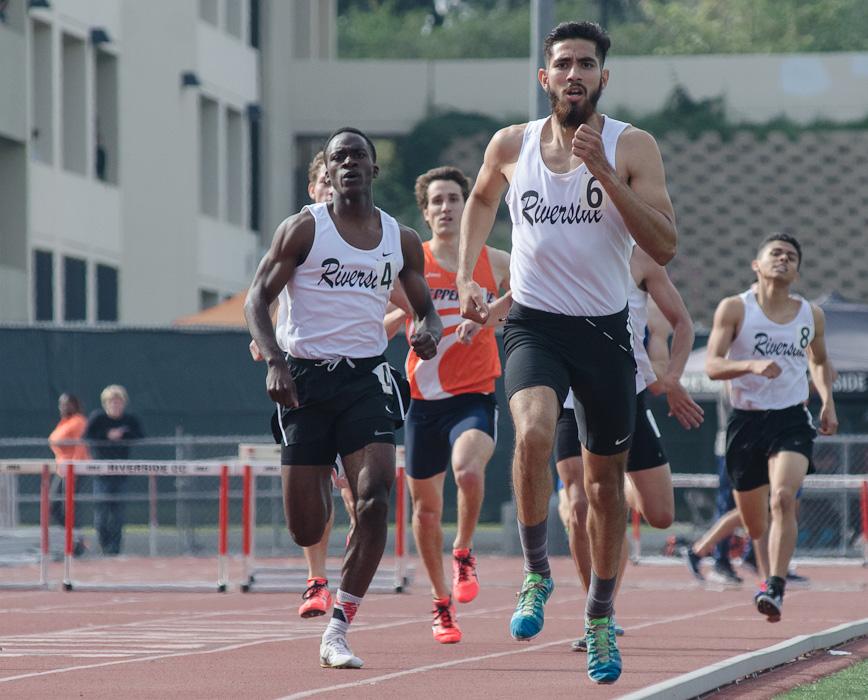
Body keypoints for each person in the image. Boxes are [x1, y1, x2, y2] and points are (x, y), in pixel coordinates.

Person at [456, 21, 677, 684]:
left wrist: (605, 173)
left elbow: (664, 244)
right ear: (544, 76)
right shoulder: (511, 144)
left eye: (586, 63)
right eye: (563, 63)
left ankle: (602, 616)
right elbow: (481, 199)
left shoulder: (630, 144)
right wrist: (470, 273)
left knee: (608, 488)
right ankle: (534, 573)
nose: (574, 73)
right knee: (531, 432)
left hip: (606, 334)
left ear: (603, 78)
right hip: (533, 324)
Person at [245, 127, 443, 669]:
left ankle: (339, 626)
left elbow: (426, 309)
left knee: (378, 496)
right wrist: (275, 362)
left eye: (358, 155)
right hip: (304, 381)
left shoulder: (399, 239)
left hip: (366, 380)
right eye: (339, 157)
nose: (349, 163)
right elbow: (256, 301)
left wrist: (429, 330)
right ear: (326, 174)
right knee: (305, 527)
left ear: (374, 169)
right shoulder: (304, 230)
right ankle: (324, 471)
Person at [383, 166, 511, 644]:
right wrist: (403, 319)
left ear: (466, 205)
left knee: (469, 471)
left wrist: (488, 319)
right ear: (425, 210)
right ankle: (441, 605)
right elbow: (387, 317)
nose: (445, 208)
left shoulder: (490, 258)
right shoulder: (410, 266)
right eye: (436, 201)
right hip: (423, 404)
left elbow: (529, 290)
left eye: (454, 199)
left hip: (473, 396)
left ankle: (463, 551)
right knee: (425, 511)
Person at [556, 244, 703, 651]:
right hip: (570, 399)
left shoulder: (642, 260)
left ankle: (614, 493)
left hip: (627, 396)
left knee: (660, 515)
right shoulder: (561, 245)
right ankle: (597, 612)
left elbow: (683, 325)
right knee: (580, 504)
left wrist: (670, 379)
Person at [706, 232, 837, 622]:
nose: (783, 259)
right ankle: (764, 570)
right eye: (775, 253)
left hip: (790, 417)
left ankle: (775, 584)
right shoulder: (734, 309)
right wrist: (750, 365)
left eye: (791, 256)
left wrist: (827, 399)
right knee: (755, 521)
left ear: (796, 271)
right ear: (757, 265)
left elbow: (820, 359)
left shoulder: (810, 314)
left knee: (783, 497)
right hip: (746, 420)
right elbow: (713, 365)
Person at [249, 150, 357, 619]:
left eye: (339, 180)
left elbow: (393, 289)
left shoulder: (367, 234)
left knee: (357, 492)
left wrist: (413, 318)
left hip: (355, 378)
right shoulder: (301, 233)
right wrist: (268, 346)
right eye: (324, 181)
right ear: (313, 189)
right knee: (314, 486)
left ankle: (354, 572)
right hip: (303, 377)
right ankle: (316, 581)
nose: (333, 188)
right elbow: (265, 295)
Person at [84, 385, 144, 556]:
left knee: (118, 515)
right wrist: (106, 435)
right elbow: (86, 437)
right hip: (102, 475)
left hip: (121, 474)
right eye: (112, 402)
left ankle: (115, 551)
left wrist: (122, 435)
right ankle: (105, 546)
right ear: (105, 404)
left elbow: (140, 436)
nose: (115, 406)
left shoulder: (129, 419)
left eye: (119, 402)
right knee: (101, 515)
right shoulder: (98, 418)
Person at [48, 393, 90, 557]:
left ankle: (77, 543)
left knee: (69, 507)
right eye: (61, 404)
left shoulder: (78, 421)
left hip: (73, 470)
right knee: (55, 506)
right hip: (61, 470)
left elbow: (80, 447)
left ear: (75, 405)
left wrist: (75, 469)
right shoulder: (63, 422)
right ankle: (73, 539)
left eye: (67, 404)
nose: (64, 407)